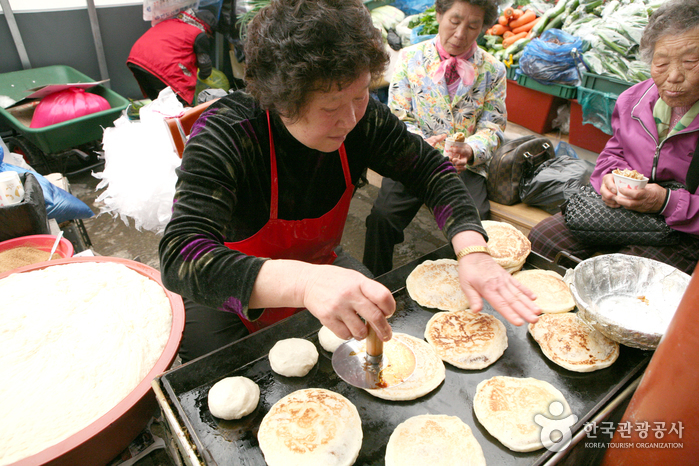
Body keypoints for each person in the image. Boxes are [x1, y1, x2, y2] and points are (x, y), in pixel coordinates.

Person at [159, 0, 539, 363]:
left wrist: (472, 248)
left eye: (360, 97)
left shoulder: (363, 118)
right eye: (330, 108)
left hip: (320, 261)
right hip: (224, 286)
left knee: (385, 335)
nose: (351, 119)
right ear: (281, 99)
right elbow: (182, 256)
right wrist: (305, 284)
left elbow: (429, 169)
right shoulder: (228, 133)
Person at [528, 0, 699, 275]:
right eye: (662, 63)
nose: (674, 76)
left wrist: (666, 202)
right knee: (541, 242)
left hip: (683, 228)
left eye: (691, 62)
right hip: (622, 212)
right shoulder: (633, 100)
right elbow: (614, 153)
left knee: (624, 277)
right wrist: (608, 178)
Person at [363, 0, 506, 277]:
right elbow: (398, 116)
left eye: (472, 25)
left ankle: (466, 295)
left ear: (483, 29)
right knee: (382, 219)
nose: (460, 33)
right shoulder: (409, 58)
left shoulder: (493, 70)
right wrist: (419, 146)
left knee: (478, 226)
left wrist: (471, 150)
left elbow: (494, 125)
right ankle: (375, 284)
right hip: (414, 157)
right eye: (454, 20)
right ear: (439, 15)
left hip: (463, 167)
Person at [127, 8, 216, 106]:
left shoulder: (172, 21)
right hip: (160, 64)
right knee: (178, 105)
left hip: (137, 59)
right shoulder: (199, 33)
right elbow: (204, 64)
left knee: (159, 103)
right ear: (208, 30)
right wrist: (203, 77)